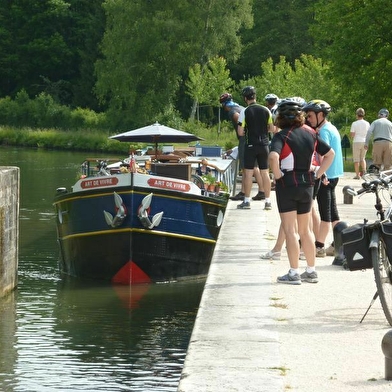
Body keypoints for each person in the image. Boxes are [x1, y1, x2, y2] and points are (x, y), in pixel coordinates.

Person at [269, 98, 334, 284]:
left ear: (280, 117)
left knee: (291, 231)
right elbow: (330, 155)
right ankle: (311, 271)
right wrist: (319, 174)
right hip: (308, 184)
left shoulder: (281, 135)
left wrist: (278, 175)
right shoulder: (311, 133)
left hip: (287, 185)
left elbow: (273, 157)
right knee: (306, 230)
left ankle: (293, 272)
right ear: (300, 115)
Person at [303, 99, 344, 258]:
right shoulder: (331, 127)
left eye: (311, 115)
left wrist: (321, 174)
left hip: (326, 176)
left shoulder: (324, 132)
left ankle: (319, 246)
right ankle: (339, 242)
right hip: (333, 175)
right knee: (333, 213)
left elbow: (323, 155)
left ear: (321, 115)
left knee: (325, 212)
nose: (308, 118)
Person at [219, 93, 266, 201]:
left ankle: (245, 192)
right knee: (254, 167)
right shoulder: (241, 107)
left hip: (245, 139)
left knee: (246, 167)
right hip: (254, 139)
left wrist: (245, 132)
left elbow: (239, 120)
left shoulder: (232, 111)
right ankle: (260, 190)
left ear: (224, 105)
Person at [237, 86, 274, 210]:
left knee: (248, 173)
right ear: (255, 96)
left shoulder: (245, 111)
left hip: (250, 145)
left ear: (245, 98)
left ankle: (246, 201)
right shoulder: (266, 110)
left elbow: (240, 132)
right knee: (265, 173)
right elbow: (272, 128)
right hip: (264, 145)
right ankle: (268, 202)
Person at [350, 108, 370, 179]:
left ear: (357, 115)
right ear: (363, 114)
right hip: (364, 141)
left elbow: (352, 134)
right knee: (362, 158)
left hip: (356, 141)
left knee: (356, 159)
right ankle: (364, 173)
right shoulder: (367, 123)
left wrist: (352, 136)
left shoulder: (354, 123)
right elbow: (369, 134)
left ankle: (357, 175)